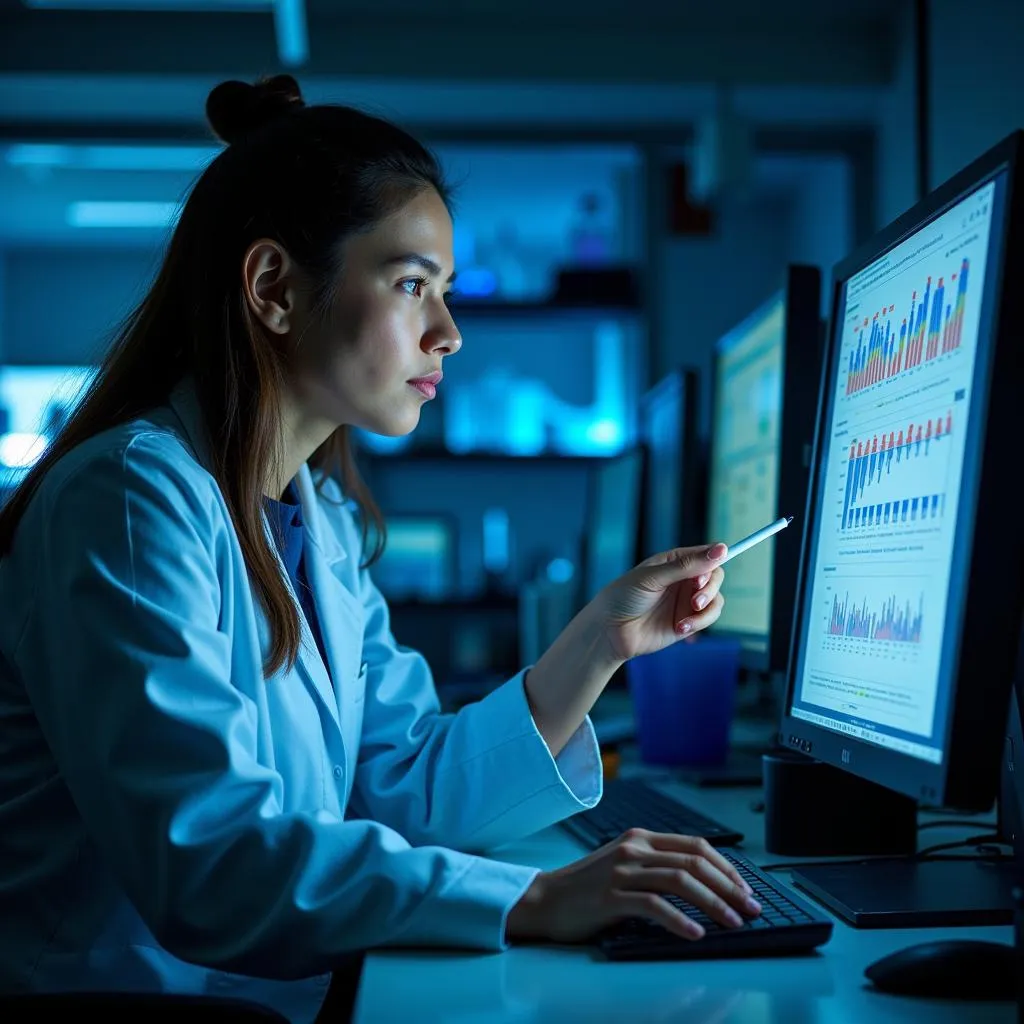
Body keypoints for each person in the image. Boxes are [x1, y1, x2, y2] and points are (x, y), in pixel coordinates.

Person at [0, 75, 760, 1024]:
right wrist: (536, 899)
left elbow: (397, 785)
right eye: (412, 284)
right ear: (274, 289)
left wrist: (600, 642)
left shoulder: (314, 515)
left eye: (442, 291)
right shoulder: (128, 500)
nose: (448, 332)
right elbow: (207, 863)